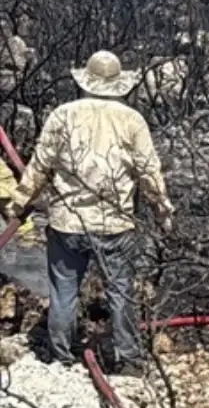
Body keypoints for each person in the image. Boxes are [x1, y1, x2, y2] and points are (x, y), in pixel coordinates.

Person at [9, 50, 173, 371]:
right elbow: (149, 172)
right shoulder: (131, 120)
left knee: (64, 293)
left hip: (67, 221)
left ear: (85, 81)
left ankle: (60, 357)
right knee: (121, 293)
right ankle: (127, 359)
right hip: (114, 224)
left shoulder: (62, 115)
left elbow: (40, 166)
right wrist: (162, 210)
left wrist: (19, 202)